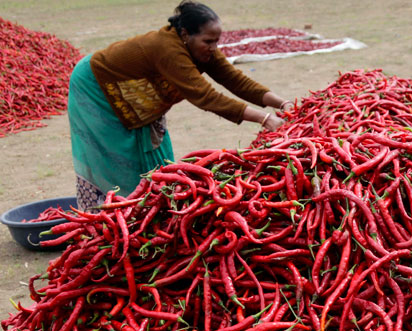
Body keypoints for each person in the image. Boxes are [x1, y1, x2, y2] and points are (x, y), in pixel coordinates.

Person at [67, 1, 293, 210]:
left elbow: (235, 80)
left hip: (135, 100)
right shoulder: (168, 49)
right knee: (116, 157)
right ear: (185, 34)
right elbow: (206, 97)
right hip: (96, 87)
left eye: (216, 41)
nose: (213, 47)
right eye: (208, 41)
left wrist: (281, 102)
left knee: (160, 162)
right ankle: (107, 215)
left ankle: (148, 209)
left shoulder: (202, 49)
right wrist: (264, 119)